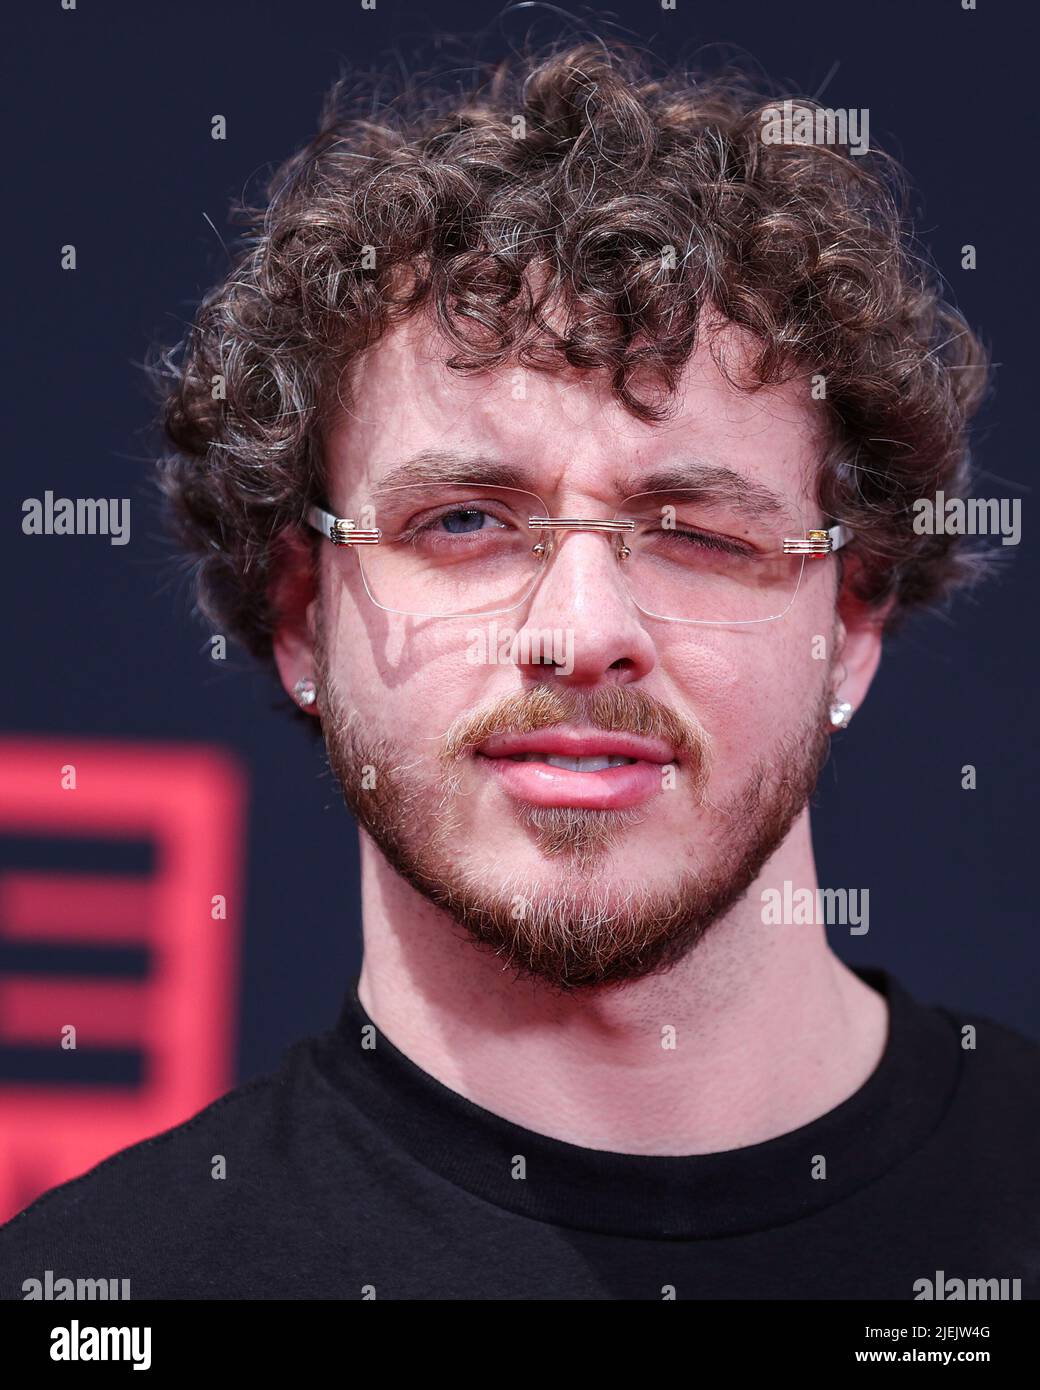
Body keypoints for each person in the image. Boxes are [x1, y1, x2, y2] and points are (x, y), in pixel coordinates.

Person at [3, 37, 1037, 1301]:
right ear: (297, 612)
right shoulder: (99, 1299)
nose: (581, 628)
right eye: (466, 523)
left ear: (854, 619)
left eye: (697, 533)